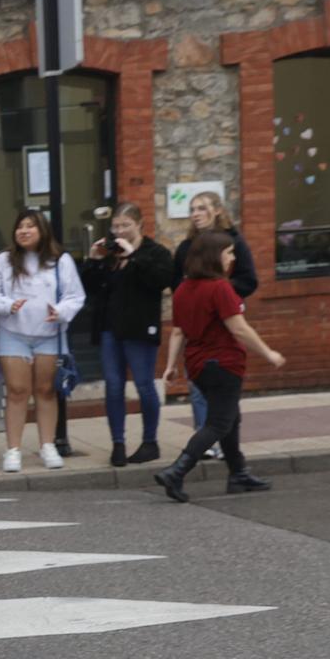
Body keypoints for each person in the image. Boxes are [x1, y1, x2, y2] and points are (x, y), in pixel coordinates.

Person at [155, 228, 285, 503]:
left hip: (198, 366)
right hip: (224, 364)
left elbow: (178, 331)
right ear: (215, 256)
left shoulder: (182, 289)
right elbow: (239, 329)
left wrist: (171, 366)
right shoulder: (219, 288)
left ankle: (238, 473)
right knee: (217, 423)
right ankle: (176, 471)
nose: (233, 258)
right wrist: (268, 352)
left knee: (230, 419)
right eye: (228, 253)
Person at [0, 209, 85, 473]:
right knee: (18, 391)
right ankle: (13, 450)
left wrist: (61, 311)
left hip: (49, 335)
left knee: (45, 390)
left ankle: (47, 445)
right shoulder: (3, 260)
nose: (24, 231)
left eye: (31, 226)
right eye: (20, 226)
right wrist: (8, 305)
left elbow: (75, 296)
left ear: (42, 230)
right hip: (12, 333)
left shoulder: (60, 260)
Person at [83, 202, 174, 467]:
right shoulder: (111, 254)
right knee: (113, 386)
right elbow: (91, 288)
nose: (120, 231)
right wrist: (94, 260)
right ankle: (118, 444)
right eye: (116, 226)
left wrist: (132, 256)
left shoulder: (154, 252)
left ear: (139, 225)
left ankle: (150, 442)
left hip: (139, 328)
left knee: (144, 384)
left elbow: (161, 280)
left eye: (126, 226)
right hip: (111, 328)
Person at [171, 190, 258, 448]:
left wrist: (218, 292)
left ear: (217, 210)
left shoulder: (234, 242)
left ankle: (224, 446)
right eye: (192, 209)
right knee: (198, 386)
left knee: (224, 386)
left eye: (201, 208)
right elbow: (176, 284)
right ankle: (205, 438)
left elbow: (249, 280)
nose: (196, 214)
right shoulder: (187, 247)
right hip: (197, 324)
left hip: (225, 321)